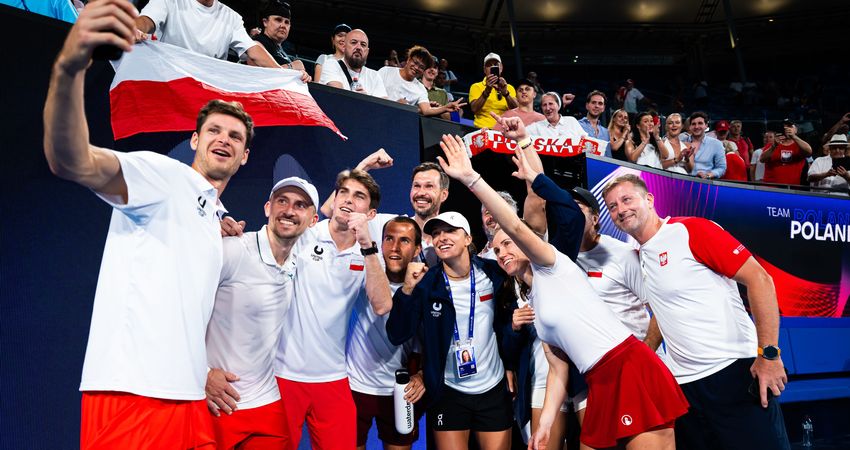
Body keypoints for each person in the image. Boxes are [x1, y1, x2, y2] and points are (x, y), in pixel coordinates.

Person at [43, 2, 253, 446]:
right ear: (195, 140)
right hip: (130, 397)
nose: (224, 140)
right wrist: (69, 69)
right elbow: (71, 160)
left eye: (235, 136)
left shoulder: (211, 218)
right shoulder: (164, 176)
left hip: (189, 397)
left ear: (244, 156)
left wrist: (201, 371)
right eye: (214, 130)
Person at [435, 130, 688, 450]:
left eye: (510, 244)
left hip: (630, 368)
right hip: (598, 380)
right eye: (497, 250)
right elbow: (558, 369)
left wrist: (472, 179)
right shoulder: (538, 307)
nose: (504, 251)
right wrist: (546, 422)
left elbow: (513, 224)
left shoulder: (552, 264)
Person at [602, 174, 791, 450]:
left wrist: (770, 355)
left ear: (649, 199)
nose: (620, 209)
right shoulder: (640, 255)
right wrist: (645, 354)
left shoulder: (690, 230)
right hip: (685, 389)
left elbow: (760, 280)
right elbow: (662, 310)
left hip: (733, 374)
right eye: (612, 206)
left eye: (627, 199)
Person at [275, 169, 394, 449]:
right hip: (284, 374)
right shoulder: (305, 235)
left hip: (333, 378)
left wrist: (367, 245)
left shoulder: (369, 255)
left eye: (359, 197)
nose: (348, 201)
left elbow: (382, 305)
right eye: (344, 193)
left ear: (371, 214)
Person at [386, 211, 519, 450]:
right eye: (436, 233)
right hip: (449, 391)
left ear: (467, 238)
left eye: (450, 231)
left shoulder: (493, 274)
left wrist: (510, 364)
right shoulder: (426, 284)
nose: (441, 237)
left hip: (492, 388)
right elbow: (397, 333)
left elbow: (505, 324)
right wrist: (406, 290)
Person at [205, 177, 320, 449]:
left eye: (300, 205)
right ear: (268, 207)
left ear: (313, 221)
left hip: (265, 401)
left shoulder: (297, 260)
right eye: (282, 201)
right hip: (218, 401)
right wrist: (203, 373)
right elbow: (179, 310)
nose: (289, 211)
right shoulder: (233, 249)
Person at [348, 216, 427, 450]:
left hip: (400, 391)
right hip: (355, 387)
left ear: (417, 249)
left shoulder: (425, 289)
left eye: (404, 241)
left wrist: (422, 374)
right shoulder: (363, 273)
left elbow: (436, 342)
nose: (394, 247)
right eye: (388, 239)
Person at [135, 0, 281, 68]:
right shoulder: (170, 1)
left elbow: (252, 50)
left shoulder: (232, 17)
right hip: (168, 81)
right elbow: (147, 21)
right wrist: (135, 29)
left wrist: (281, 73)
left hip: (205, 92)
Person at [378, 45, 466, 117]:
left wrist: (445, 108)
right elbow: (373, 92)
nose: (416, 68)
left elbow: (427, 110)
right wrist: (395, 104)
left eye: (421, 67)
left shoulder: (420, 89)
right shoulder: (386, 71)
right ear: (408, 59)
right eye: (415, 63)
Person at [319, 29, 388, 98]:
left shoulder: (374, 76)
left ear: (367, 52)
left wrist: (366, 99)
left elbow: (383, 105)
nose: (358, 47)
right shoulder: (331, 65)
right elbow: (339, 97)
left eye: (363, 45)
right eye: (353, 42)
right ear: (344, 47)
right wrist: (365, 100)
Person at [251, 1, 309, 80]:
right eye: (278, 20)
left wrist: (304, 76)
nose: (283, 25)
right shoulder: (256, 43)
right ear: (265, 22)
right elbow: (255, 75)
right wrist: (292, 67)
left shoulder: (284, 50)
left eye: (287, 22)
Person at [469, 53, 518, 129]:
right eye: (489, 65)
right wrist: (487, 91)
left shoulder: (509, 88)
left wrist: (506, 94)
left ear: (501, 68)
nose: (493, 67)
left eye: (496, 64)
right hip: (482, 129)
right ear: (484, 69)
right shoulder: (476, 86)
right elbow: (474, 109)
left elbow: (516, 110)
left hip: (504, 130)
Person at [760, 121, 813, 185]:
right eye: (785, 127)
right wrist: (773, 147)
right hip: (772, 187)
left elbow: (809, 151)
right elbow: (762, 159)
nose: (787, 129)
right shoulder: (772, 145)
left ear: (796, 130)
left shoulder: (800, 146)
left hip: (792, 188)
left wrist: (793, 136)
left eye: (790, 126)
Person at [478, 191, 518, 260]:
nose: (492, 216)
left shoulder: (525, 246)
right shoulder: (477, 261)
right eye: (487, 212)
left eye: (497, 211)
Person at [686, 111, 726, 179]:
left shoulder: (716, 144)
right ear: (690, 127)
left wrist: (708, 175)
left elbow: (721, 168)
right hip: (684, 181)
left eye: (700, 123)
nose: (696, 126)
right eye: (693, 124)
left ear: (706, 125)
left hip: (706, 183)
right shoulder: (682, 142)